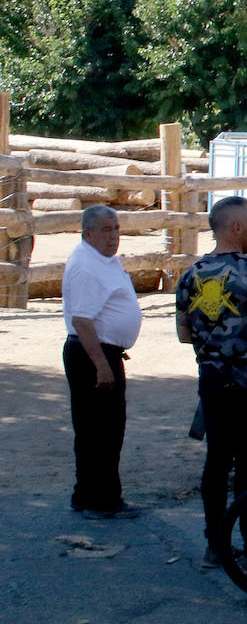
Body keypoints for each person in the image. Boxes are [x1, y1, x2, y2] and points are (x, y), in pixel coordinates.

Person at [176, 196, 247, 572]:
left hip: (212, 383)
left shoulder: (190, 275)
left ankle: (215, 544)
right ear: (237, 227)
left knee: (216, 464)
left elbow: (182, 333)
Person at [62, 205, 142, 519]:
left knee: (104, 428)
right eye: (106, 230)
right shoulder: (86, 265)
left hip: (101, 351)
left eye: (117, 229)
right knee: (100, 430)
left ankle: (93, 495)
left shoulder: (103, 260)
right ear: (88, 233)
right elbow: (82, 320)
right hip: (91, 352)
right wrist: (101, 365)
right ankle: (100, 500)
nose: (114, 236)